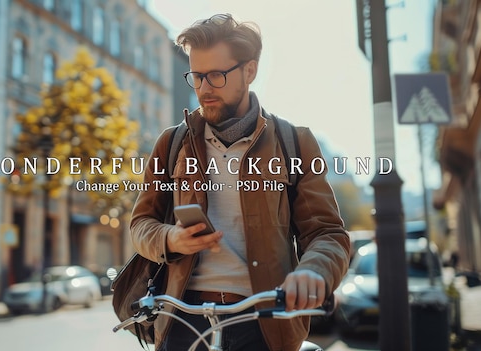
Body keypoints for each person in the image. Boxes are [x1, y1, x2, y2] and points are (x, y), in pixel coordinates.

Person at [130, 13, 350, 351]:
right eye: (196, 76)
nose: (203, 89)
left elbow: (327, 233)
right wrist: (170, 237)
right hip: (181, 321)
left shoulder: (295, 142)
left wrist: (314, 272)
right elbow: (141, 225)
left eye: (216, 75)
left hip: (265, 323)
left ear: (250, 71)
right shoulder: (171, 143)